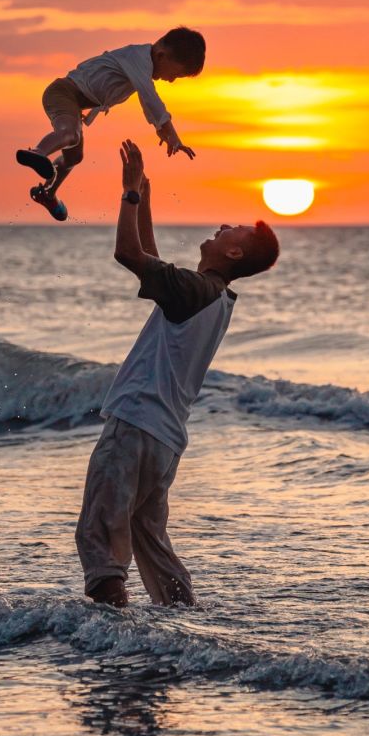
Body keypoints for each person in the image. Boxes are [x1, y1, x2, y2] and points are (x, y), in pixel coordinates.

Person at [75, 139, 279, 607]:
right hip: (165, 442)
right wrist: (144, 193)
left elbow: (128, 254)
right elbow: (150, 257)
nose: (225, 226)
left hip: (135, 426)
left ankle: (114, 643)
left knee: (101, 540)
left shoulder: (192, 289)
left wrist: (127, 193)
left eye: (236, 231)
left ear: (233, 255)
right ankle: (186, 627)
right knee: (151, 545)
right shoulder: (213, 295)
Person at [16, 27, 205, 221]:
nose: (171, 80)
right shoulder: (137, 58)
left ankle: (47, 193)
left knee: (74, 157)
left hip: (74, 103)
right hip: (63, 93)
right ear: (161, 55)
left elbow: (145, 99)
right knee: (71, 135)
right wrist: (172, 134)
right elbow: (149, 96)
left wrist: (160, 129)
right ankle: (38, 153)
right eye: (175, 74)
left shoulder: (141, 67)